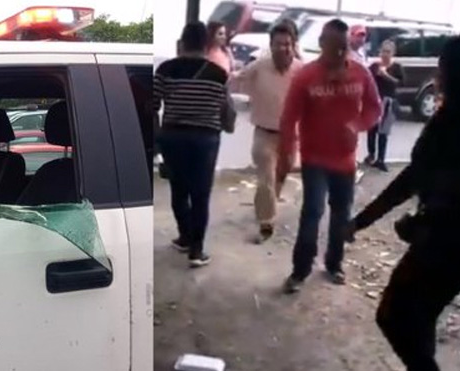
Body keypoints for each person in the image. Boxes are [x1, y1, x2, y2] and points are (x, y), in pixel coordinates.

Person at [344, 32, 460, 371]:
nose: (438, 75)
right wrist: (363, 220)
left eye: (443, 67)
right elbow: (415, 178)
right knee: (417, 317)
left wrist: (422, 221)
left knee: (394, 316)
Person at [277, 19, 382, 292]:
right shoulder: (306, 76)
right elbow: (289, 119)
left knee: (341, 214)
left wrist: (357, 125)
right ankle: (300, 270)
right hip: (314, 159)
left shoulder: (360, 73)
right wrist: (286, 154)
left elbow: (374, 108)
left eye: (343, 48)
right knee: (312, 212)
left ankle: (334, 263)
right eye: (334, 47)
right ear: (322, 43)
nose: (339, 54)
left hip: (345, 160)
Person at [154, 21, 230, 268]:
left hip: (173, 137)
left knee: (178, 190)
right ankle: (196, 251)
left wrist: (157, 139)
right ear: (206, 45)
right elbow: (226, 111)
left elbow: (151, 106)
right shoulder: (219, 74)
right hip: (206, 140)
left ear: (181, 43)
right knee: (200, 194)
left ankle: (185, 236)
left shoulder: (166, 69)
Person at [230, 22, 303, 244]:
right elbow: (235, 80)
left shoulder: (302, 71)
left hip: (291, 136)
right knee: (266, 178)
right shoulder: (258, 67)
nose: (283, 48)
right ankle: (266, 223)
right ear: (271, 46)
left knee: (281, 174)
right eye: (278, 44)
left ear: (294, 45)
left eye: (287, 44)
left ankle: (266, 205)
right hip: (264, 133)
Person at [364, 39, 405, 172]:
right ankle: (371, 155)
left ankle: (381, 159)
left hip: (388, 101)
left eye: (388, 52)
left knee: (383, 132)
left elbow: (400, 83)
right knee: (372, 130)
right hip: (375, 101)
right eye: (383, 51)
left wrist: (386, 75)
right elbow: (366, 81)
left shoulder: (396, 67)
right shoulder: (374, 66)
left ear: (393, 53)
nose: (385, 54)